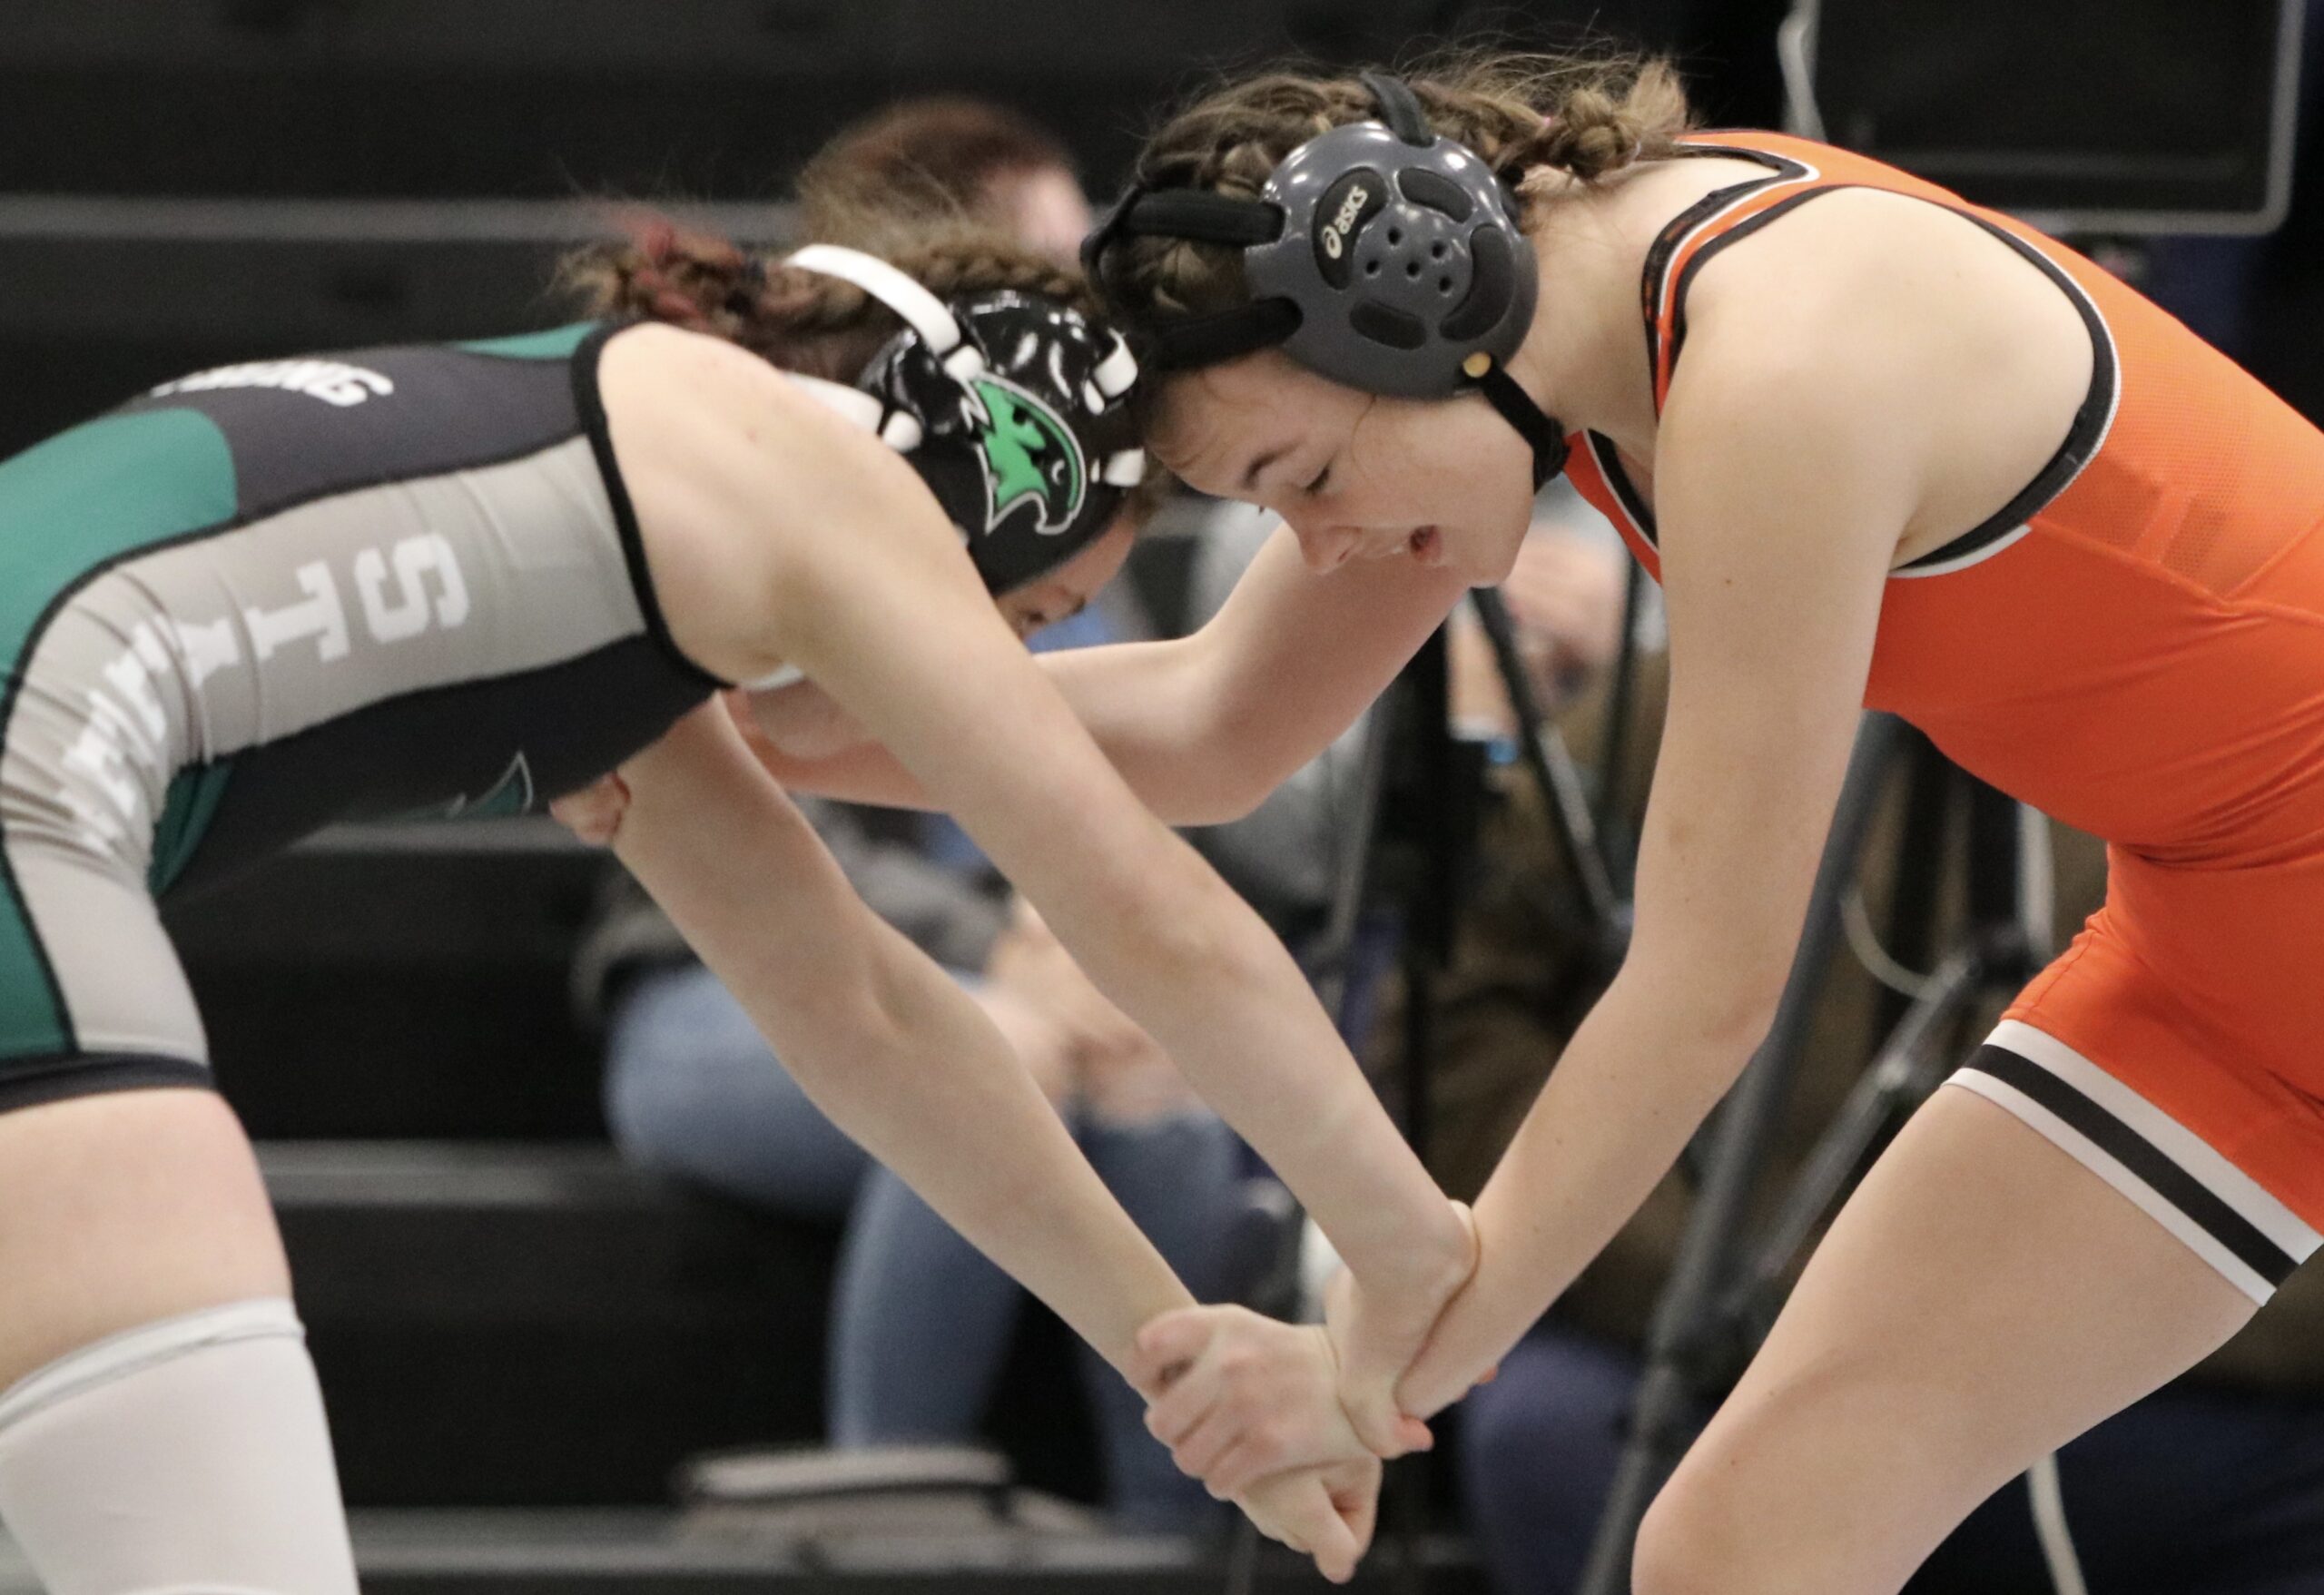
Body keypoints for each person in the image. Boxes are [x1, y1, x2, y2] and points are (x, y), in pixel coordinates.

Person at [752, 50, 2324, 1590]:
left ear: (1415, 297)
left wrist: (1376, 1369)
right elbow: (1214, 725)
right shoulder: (1550, 341)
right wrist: (781, 729)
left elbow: (1707, 988)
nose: (1321, 543)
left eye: (1304, 476)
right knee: (1746, 1548)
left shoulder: (1777, 368)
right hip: (2215, 974)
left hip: (2259, 942)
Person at [0, 182, 1475, 1590]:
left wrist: (1184, 1364)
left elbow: (867, 1016)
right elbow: (1151, 916)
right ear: (970, 489)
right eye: (1023, 620)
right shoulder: (808, 480)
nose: (998, 677)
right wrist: (1421, 1262)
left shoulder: (639, 534)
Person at [585, 96, 1253, 1531]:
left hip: (1029, 997)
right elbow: (764, 812)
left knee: (1170, 1106)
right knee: (994, 1062)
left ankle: (1182, 1540)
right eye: (1053, 257)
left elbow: (1143, 796)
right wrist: (1003, 954)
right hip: (722, 991)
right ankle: (881, 1522)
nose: (1091, 302)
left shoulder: (1064, 507)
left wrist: (1094, 967)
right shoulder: (788, 470)